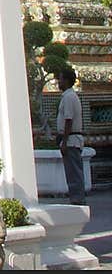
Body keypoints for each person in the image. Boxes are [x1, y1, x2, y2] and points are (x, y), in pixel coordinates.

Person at [56, 67, 86, 206]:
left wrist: (64, 141)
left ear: (66, 81)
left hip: (71, 140)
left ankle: (77, 198)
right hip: (71, 139)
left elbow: (69, 119)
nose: (58, 82)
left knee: (74, 171)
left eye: (60, 79)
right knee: (72, 170)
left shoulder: (69, 97)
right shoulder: (69, 96)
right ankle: (76, 196)